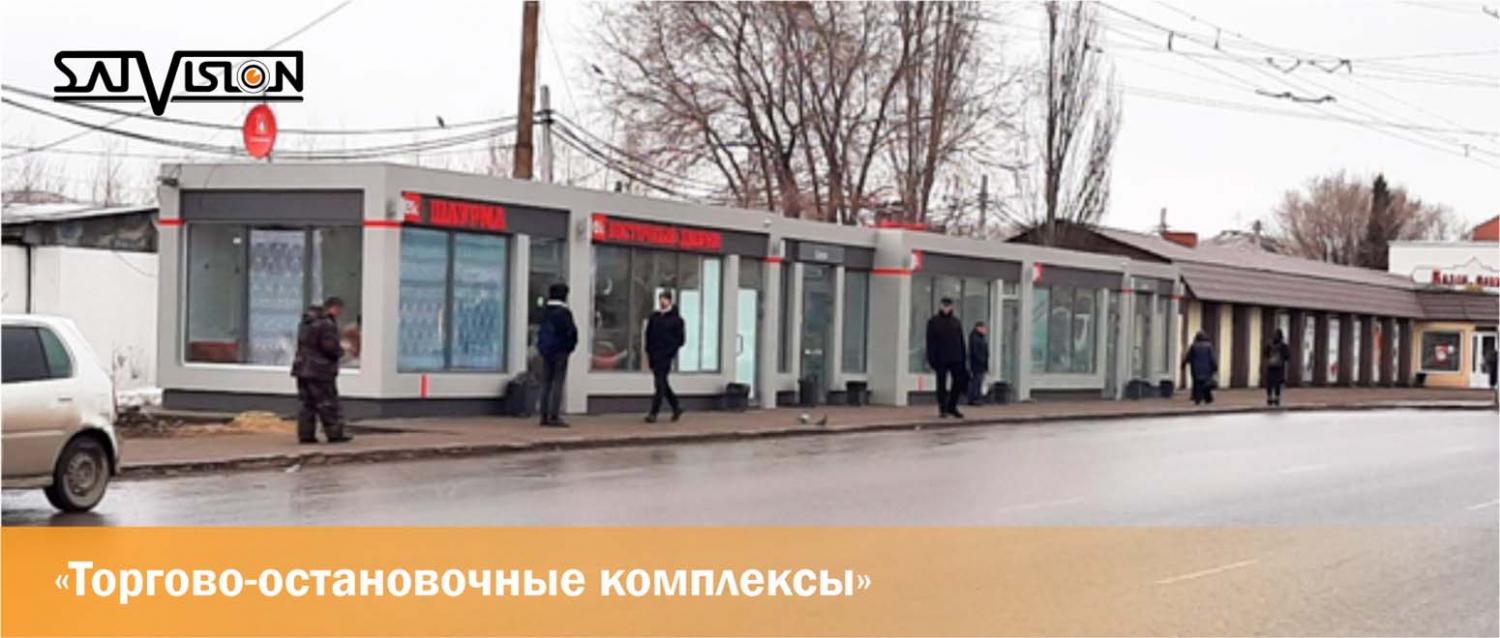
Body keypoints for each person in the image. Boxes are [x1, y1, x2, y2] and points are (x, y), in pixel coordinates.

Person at [291, 297, 350, 444]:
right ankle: (335, 433)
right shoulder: (326, 324)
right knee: (327, 402)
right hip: (320, 370)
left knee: (307, 404)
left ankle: (305, 434)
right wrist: (341, 352)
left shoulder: (305, 323)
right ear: (334, 308)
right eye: (339, 310)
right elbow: (329, 347)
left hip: (302, 368)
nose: (339, 313)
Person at [536, 283, 578, 428]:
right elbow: (571, 332)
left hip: (546, 350)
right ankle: (554, 415)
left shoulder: (544, 311)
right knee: (558, 382)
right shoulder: (564, 313)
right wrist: (570, 347)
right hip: (560, 351)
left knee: (546, 382)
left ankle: (543, 415)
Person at [643, 290, 686, 423]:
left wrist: (670, 352)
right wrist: (648, 352)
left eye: (665, 299)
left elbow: (680, 340)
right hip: (654, 355)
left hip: (666, 357)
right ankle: (676, 406)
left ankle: (653, 413)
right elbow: (648, 335)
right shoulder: (654, 317)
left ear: (670, 301)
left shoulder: (676, 320)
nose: (662, 301)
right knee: (663, 383)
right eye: (661, 299)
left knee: (659, 384)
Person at [926, 297, 970, 418]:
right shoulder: (933, 322)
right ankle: (943, 408)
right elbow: (930, 342)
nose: (946, 308)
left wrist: (963, 358)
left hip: (956, 357)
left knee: (958, 382)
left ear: (951, 307)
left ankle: (952, 406)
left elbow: (961, 341)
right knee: (941, 384)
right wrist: (931, 359)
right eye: (944, 306)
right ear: (940, 306)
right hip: (940, 358)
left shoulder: (956, 322)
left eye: (948, 306)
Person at [1181, 330, 1218, 406]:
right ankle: (1208, 399)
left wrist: (1183, 364)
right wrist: (1215, 367)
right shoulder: (1209, 346)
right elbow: (1212, 358)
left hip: (1196, 369)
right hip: (1207, 369)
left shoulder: (1194, 346)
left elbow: (1188, 356)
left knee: (1197, 384)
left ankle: (1198, 399)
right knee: (1206, 384)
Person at [1262, 329, 1291, 406]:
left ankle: (1270, 398)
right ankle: (1276, 398)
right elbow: (1287, 356)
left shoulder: (1269, 345)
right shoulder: (1283, 346)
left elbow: (1265, 354)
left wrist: (1270, 358)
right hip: (1279, 367)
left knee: (1270, 383)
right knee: (1277, 383)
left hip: (1271, 366)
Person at [967, 322, 990, 406]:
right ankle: (975, 398)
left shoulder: (979, 338)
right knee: (977, 381)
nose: (985, 330)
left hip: (979, 363)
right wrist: (982, 360)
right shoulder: (976, 338)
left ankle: (975, 398)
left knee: (977, 380)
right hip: (977, 364)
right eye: (983, 328)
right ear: (978, 328)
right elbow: (976, 352)